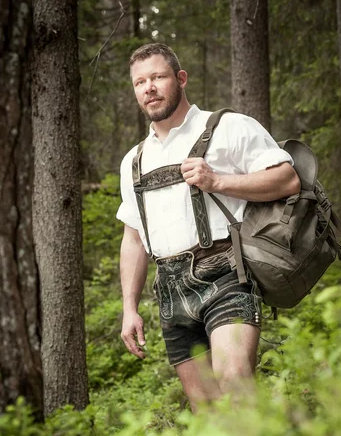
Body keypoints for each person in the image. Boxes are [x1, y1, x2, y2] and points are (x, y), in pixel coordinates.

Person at [117, 43, 300, 411]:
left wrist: (217, 181)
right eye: (140, 82)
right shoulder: (133, 161)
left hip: (226, 275)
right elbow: (134, 239)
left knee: (234, 382)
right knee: (208, 411)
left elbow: (287, 179)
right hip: (170, 289)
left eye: (157, 77)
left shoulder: (227, 126)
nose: (149, 88)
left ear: (180, 79)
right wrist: (129, 308)